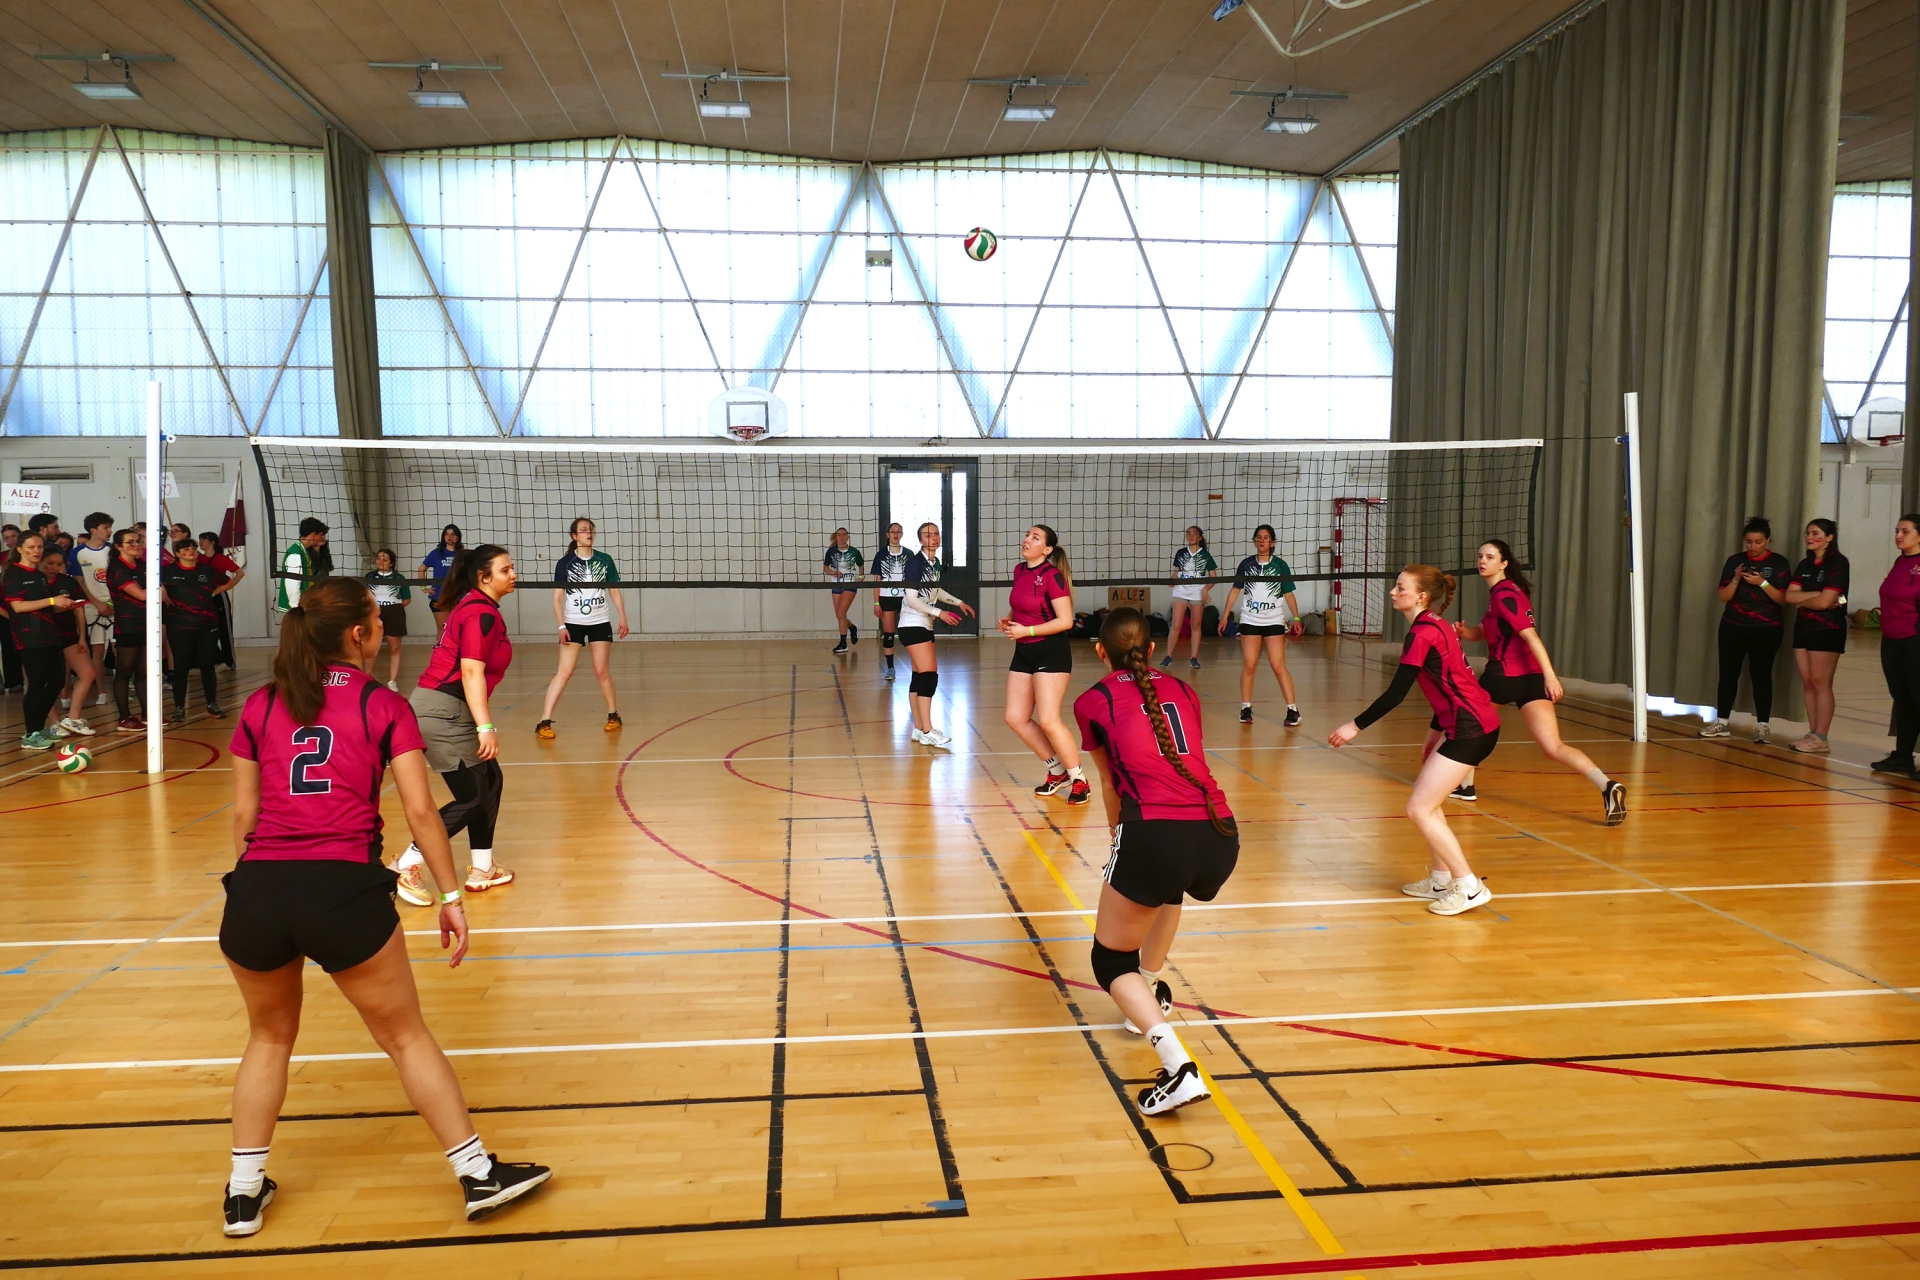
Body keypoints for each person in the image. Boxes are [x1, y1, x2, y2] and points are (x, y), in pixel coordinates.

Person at [218, 576, 550, 1237]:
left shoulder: (259, 706)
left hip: (257, 890)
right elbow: (422, 811)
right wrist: (452, 897)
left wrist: (251, 885)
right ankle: (478, 1175)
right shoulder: (380, 704)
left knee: (268, 1038)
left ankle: (243, 1194)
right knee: (404, 1036)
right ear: (360, 634)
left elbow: (244, 814)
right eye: (375, 619)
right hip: (341, 889)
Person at [1074, 607, 1238, 1116]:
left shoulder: (1092, 700)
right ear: (1150, 649)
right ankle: (1148, 991)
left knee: (1109, 960)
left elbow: (1109, 784)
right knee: (1165, 888)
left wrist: (1122, 842)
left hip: (1155, 832)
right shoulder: (1184, 690)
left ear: (1100, 651)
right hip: (1220, 831)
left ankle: (1178, 1068)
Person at [1328, 565, 1499, 917]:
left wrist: (1354, 726)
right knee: (1429, 803)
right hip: (1465, 723)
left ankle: (1468, 886)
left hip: (1472, 729)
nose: (1393, 592)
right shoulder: (1435, 624)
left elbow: (1396, 693)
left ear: (1421, 596)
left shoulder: (1422, 634)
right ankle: (1440, 880)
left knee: (1418, 809)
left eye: (1400, 587)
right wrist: (1435, 731)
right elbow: (1448, 680)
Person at [1451, 540, 1625, 822]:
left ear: (1504, 563)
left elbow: (1531, 636)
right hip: (1529, 680)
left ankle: (1466, 786)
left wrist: (1551, 676)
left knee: (1468, 726)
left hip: (1505, 676)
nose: (1483, 561)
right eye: (1480, 556)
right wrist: (1466, 632)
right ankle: (1606, 785)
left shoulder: (1506, 595)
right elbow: (1488, 630)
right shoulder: (1502, 594)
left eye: (1490, 557)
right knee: (1553, 747)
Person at [395, 545, 518, 906]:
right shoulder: (481, 613)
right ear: (484, 577)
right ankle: (406, 865)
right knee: (473, 796)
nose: (513, 575)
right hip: (442, 711)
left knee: (491, 782)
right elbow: (470, 671)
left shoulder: (474, 605)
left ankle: (483, 868)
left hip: (448, 708)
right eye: (505, 570)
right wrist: (486, 726)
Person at [999, 524, 1089, 804]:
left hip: (1051, 651)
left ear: (1047, 549)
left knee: (1049, 719)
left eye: (1035, 537)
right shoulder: (1019, 570)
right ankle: (1057, 771)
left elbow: (1065, 621)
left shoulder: (1053, 576)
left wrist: (1028, 631)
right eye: (1027, 534)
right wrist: (1010, 617)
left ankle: (1079, 780)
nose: (1027, 539)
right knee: (1015, 717)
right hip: (1024, 650)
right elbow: (1024, 604)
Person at [1701, 516, 1792, 743]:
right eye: (1749, 542)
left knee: (1761, 675)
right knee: (1728, 674)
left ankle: (1762, 726)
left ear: (1768, 540)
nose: (1753, 547)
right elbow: (1723, 597)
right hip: (1733, 626)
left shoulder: (1779, 563)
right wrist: (1736, 579)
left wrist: (1761, 582)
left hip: (1767, 628)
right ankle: (1722, 721)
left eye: (1758, 542)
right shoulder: (1735, 561)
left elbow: (1782, 599)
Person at [536, 517, 627, 739]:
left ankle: (613, 715)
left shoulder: (605, 560)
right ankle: (544, 721)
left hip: (599, 621)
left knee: (601, 671)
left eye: (591, 530)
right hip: (573, 623)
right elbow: (557, 598)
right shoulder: (565, 563)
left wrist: (623, 617)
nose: (589, 533)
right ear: (574, 536)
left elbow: (614, 590)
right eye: (584, 530)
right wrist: (561, 626)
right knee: (564, 672)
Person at [897, 522, 976, 749]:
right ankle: (929, 730)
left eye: (936, 534)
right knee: (930, 675)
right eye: (928, 535)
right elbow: (912, 598)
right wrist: (939, 612)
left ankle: (920, 730)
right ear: (921, 540)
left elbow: (935, 590)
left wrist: (958, 602)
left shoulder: (935, 563)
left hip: (923, 624)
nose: (934, 538)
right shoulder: (914, 563)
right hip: (913, 624)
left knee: (920, 676)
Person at [1218, 524, 1303, 726]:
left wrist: (1297, 617)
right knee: (1249, 664)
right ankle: (1246, 707)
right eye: (1258, 537)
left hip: (1273, 620)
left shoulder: (1281, 565)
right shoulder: (1246, 564)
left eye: (1266, 538)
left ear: (1272, 542)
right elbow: (1235, 590)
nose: (1262, 540)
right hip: (1250, 620)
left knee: (1277, 665)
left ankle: (1293, 710)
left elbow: (1288, 594)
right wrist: (1225, 616)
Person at [2, 534, 78, 750]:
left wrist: (61, 605)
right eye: (31, 547)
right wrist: (53, 600)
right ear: (20, 549)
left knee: (57, 681)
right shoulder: (13, 575)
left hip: (49, 634)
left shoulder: (39, 575)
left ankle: (38, 726)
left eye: (39, 547)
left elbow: (41, 605)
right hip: (29, 637)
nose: (36, 551)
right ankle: (31, 733)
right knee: (36, 684)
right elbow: (17, 606)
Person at [1782, 519, 1849, 754]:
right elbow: (1789, 597)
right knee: (1808, 683)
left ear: (1829, 537)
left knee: (1821, 683)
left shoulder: (1838, 564)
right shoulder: (1805, 564)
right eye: (1807, 533)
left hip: (1827, 630)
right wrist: (1816, 597)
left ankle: (1822, 736)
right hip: (1803, 629)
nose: (1810, 537)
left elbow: (1827, 601)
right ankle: (1812, 733)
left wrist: (1811, 600)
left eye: (1816, 533)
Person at [1870, 514, 1920, 781]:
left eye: (1906, 531)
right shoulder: (1901, 562)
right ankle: (1903, 755)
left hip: (1914, 640)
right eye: (1897, 531)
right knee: (1903, 700)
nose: (1899, 535)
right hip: (1892, 639)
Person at [162, 539, 226, 721]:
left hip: (207, 625)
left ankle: (212, 705)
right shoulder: (168, 572)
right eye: (185, 549)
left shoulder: (206, 570)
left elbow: (230, 580)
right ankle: (179, 707)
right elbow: (153, 586)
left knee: (207, 665)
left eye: (193, 548)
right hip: (179, 625)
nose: (191, 550)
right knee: (181, 666)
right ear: (177, 553)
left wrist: (214, 593)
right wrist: (166, 599)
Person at [39, 547, 97, 737]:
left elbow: (79, 608)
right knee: (46, 681)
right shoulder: (33, 583)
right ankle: (54, 723)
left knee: (87, 673)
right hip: (43, 638)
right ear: (40, 562)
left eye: (58, 564)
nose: (54, 568)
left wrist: (82, 637)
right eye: (50, 564)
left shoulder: (67, 582)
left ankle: (72, 718)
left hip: (69, 635)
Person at [106, 528, 149, 731]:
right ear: (118, 546)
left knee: (144, 670)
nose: (135, 545)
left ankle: (149, 713)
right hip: (128, 625)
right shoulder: (117, 569)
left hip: (147, 624)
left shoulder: (143, 565)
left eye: (138, 541)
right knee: (125, 671)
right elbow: (141, 595)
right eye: (130, 542)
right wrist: (157, 590)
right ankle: (124, 717)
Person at [1161, 526, 1216, 671]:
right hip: (1181, 590)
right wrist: (1172, 580)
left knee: (1195, 625)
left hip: (1197, 591)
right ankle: (1168, 656)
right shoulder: (1180, 553)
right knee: (1176, 624)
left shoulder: (1205, 555)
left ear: (1200, 537)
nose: (1191, 536)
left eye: (1194, 534)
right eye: (1188, 534)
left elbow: (1214, 577)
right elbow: (1176, 572)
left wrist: (1205, 590)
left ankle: (1194, 658)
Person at [76, 513, 115, 698]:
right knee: (98, 650)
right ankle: (101, 692)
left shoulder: (113, 550)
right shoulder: (78, 553)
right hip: (93, 606)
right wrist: (97, 603)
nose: (109, 531)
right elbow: (80, 582)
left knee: (119, 648)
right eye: (105, 527)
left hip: (115, 605)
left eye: (110, 527)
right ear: (93, 530)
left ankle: (123, 688)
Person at [365, 549, 412, 690]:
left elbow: (407, 599)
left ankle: (392, 681)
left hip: (394, 612)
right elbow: (364, 596)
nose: (380, 561)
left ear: (391, 563)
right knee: (372, 647)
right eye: (378, 558)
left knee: (395, 648)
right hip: (374, 614)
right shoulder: (369, 576)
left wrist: (392, 607)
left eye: (385, 559)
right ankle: (367, 676)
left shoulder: (399, 578)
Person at [871, 523, 910, 682]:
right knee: (889, 633)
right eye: (892, 531)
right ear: (887, 534)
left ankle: (916, 664)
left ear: (902, 534)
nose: (895, 534)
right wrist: (876, 603)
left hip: (905, 597)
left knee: (909, 631)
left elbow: (913, 578)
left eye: (898, 532)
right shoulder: (880, 555)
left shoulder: (909, 554)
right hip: (886, 597)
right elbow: (876, 581)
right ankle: (890, 668)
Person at [200, 532, 245, 671]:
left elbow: (239, 573)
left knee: (224, 629)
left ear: (212, 542)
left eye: (204, 539)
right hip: (203, 596)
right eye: (200, 539)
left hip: (218, 596)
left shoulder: (221, 558)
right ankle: (214, 658)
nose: (201, 542)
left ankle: (229, 661)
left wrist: (229, 586)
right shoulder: (198, 558)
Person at [276, 518, 328, 614]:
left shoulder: (304, 551)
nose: (323, 538)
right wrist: (296, 608)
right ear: (313, 534)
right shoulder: (295, 553)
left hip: (303, 606)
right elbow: (293, 583)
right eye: (321, 535)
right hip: (296, 609)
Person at [824, 527, 864, 654]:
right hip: (836, 585)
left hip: (850, 584)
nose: (841, 537)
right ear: (836, 537)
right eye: (839, 535)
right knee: (839, 615)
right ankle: (852, 627)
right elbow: (826, 568)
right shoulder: (831, 551)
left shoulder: (855, 552)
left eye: (844, 535)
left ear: (848, 537)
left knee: (841, 612)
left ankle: (843, 643)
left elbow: (861, 568)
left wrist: (860, 578)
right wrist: (833, 572)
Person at [421, 524, 463, 637]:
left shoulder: (462, 554)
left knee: (458, 630)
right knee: (443, 629)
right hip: (440, 597)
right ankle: (440, 654)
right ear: (443, 537)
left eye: (453, 534)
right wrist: (424, 588)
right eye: (446, 534)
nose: (449, 537)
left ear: (458, 537)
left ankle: (458, 654)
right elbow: (421, 569)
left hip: (458, 597)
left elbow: (469, 573)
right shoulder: (436, 553)